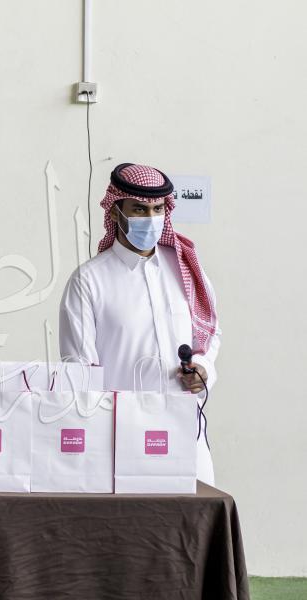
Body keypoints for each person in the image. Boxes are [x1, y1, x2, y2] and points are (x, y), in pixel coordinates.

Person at [59, 162, 220, 483]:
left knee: (198, 512)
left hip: (185, 430)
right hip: (120, 437)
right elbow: (80, 371)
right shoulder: (89, 281)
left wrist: (203, 369)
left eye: (158, 209)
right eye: (139, 209)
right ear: (115, 210)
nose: (151, 218)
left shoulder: (184, 268)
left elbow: (208, 335)